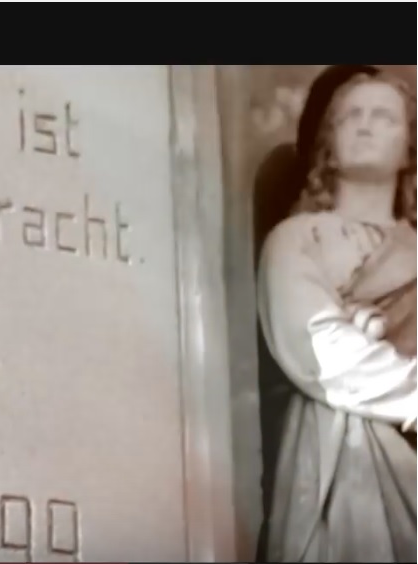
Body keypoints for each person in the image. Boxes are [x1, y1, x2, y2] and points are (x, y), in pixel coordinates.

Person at [256, 64, 417, 562]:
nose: (366, 125)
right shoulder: (297, 238)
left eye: (384, 117)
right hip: (338, 448)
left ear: (410, 146)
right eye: (351, 116)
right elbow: (317, 346)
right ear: (329, 142)